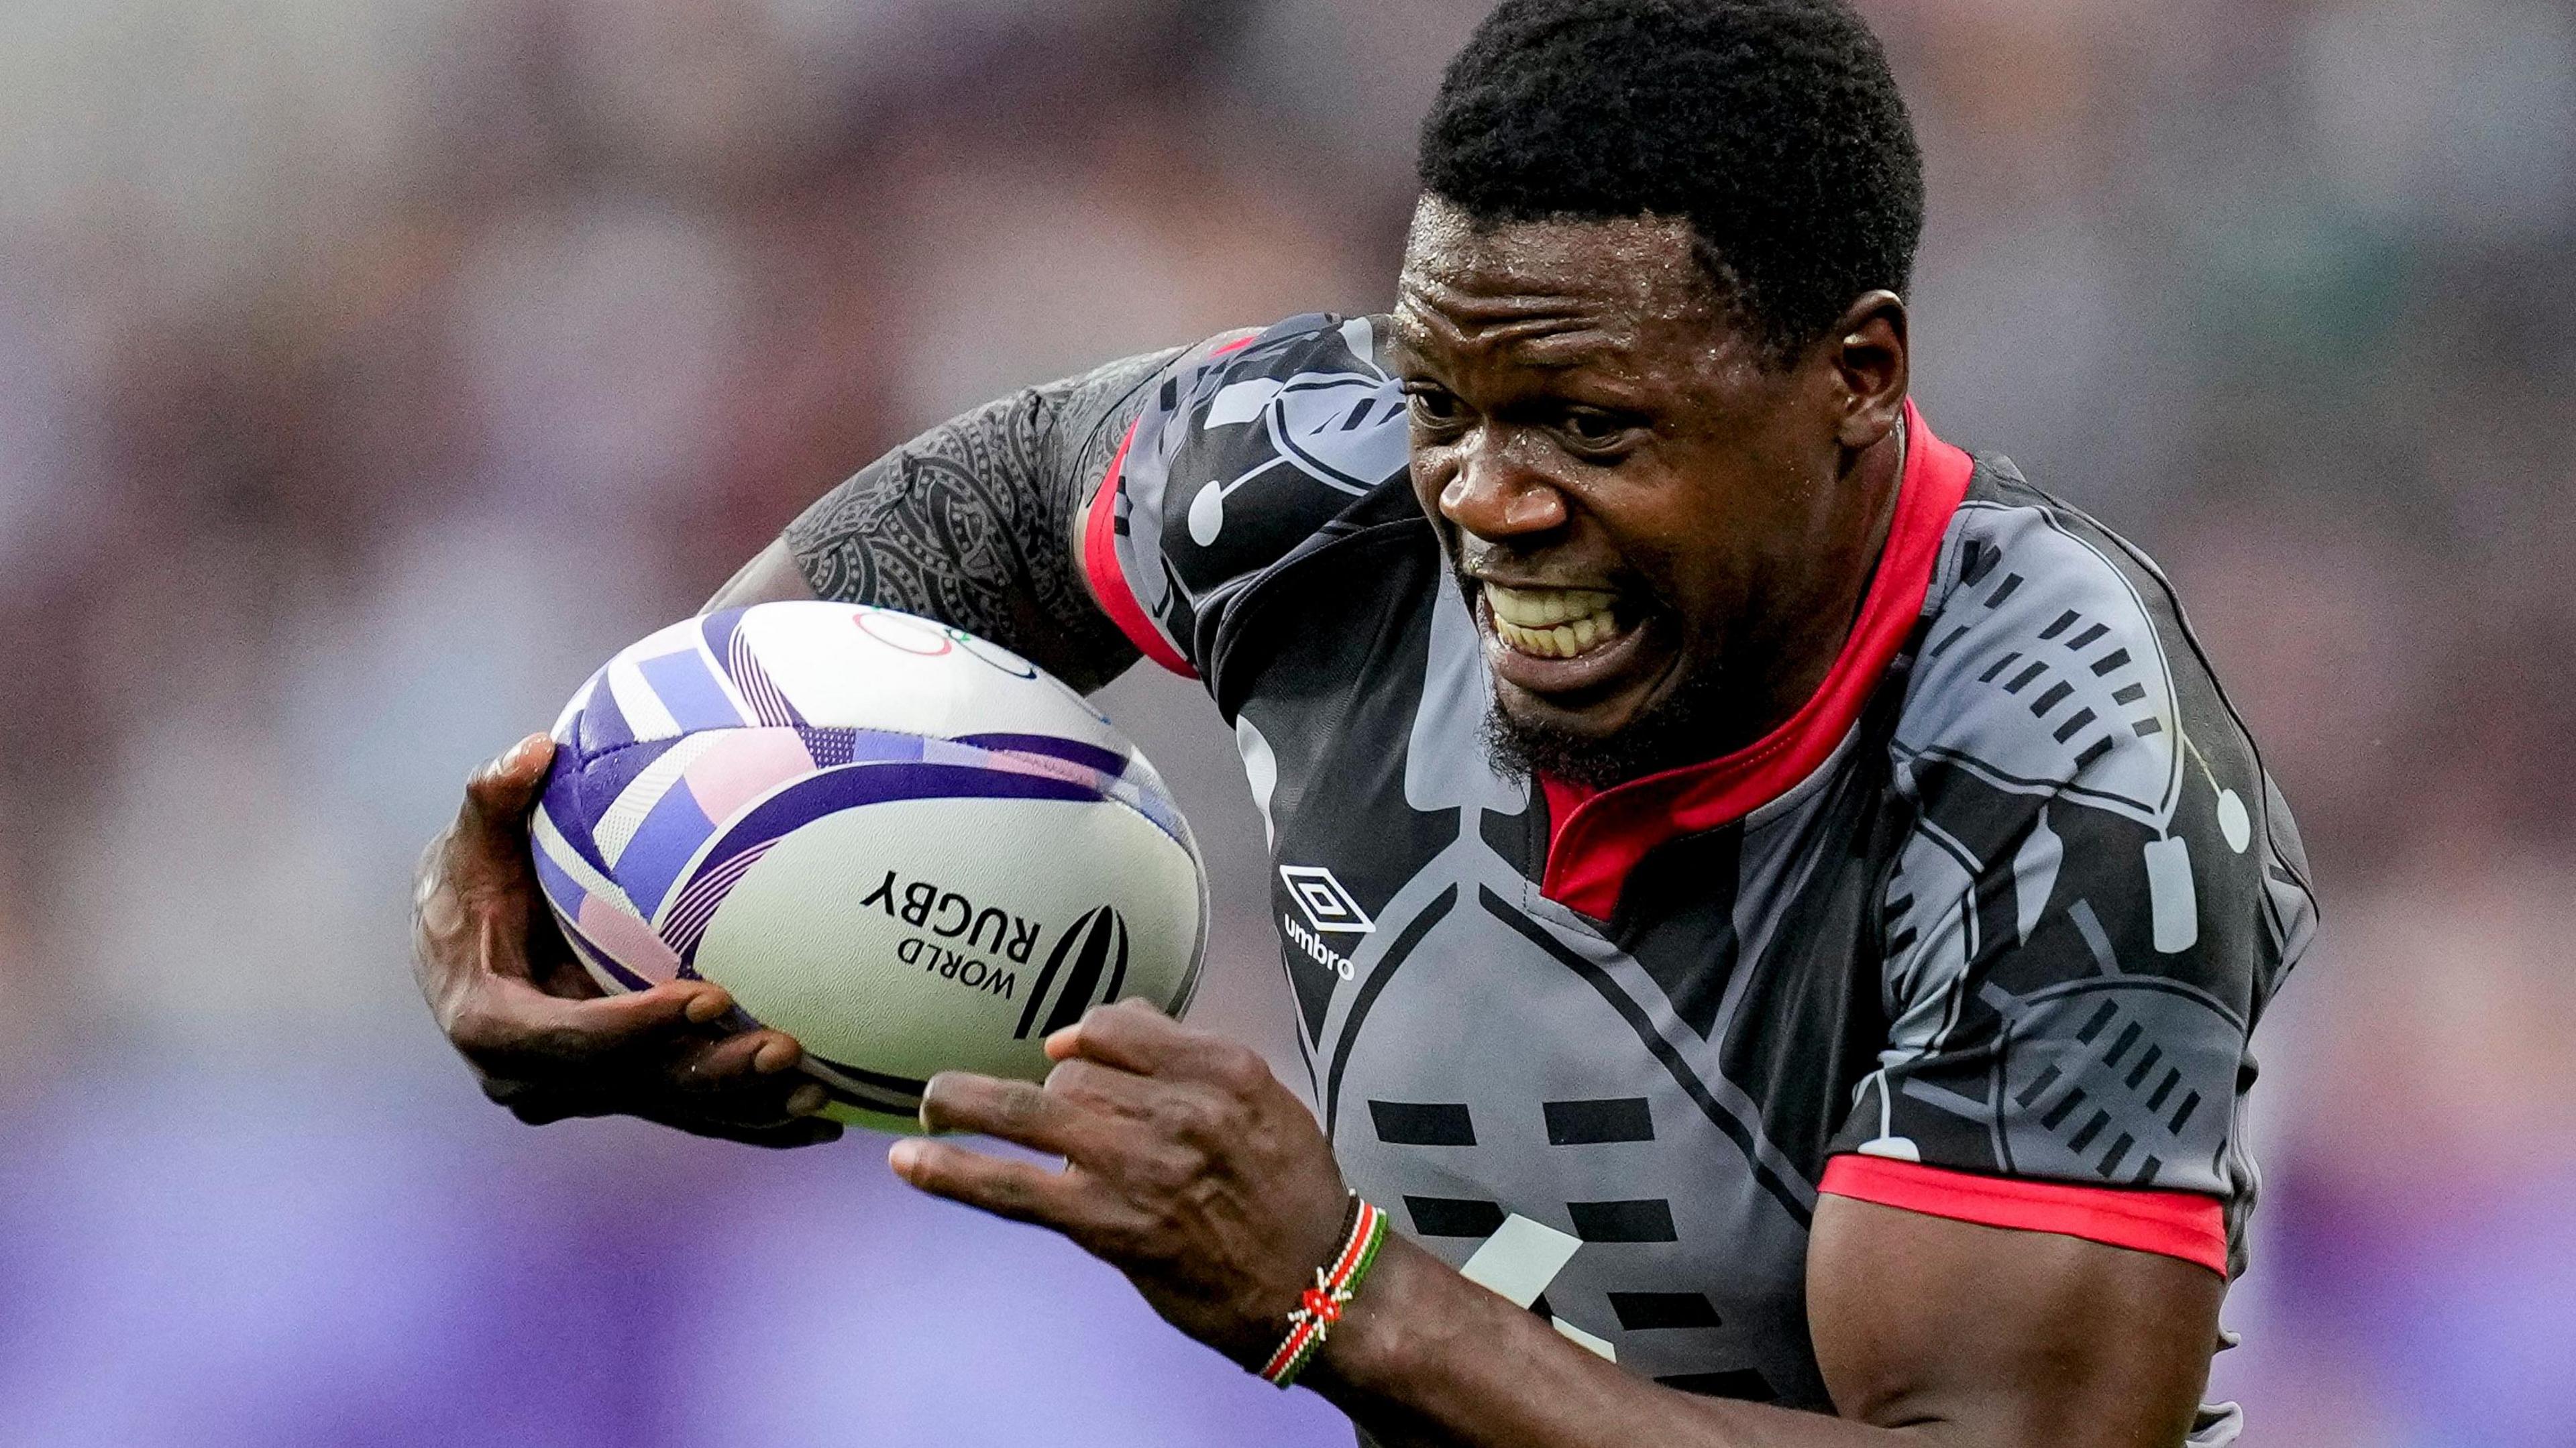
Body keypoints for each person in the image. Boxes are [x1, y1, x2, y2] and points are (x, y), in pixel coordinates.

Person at [412, 1, 2316, 1442]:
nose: (1483, 495)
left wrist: (1345, 1297)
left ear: (1857, 378)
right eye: (1444, 398)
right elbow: (952, 537)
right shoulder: (1308, 475)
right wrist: (585, 881)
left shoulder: (2062, 759)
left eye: (1594, 427)